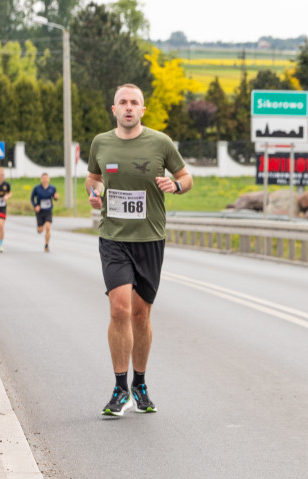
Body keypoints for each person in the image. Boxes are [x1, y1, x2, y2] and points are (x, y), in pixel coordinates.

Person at [86, 83, 192, 418]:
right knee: (119, 309)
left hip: (149, 239)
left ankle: (140, 384)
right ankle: (120, 388)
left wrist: (174, 186)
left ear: (142, 110)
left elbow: (187, 177)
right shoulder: (101, 143)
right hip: (114, 238)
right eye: (122, 102)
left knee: (140, 314)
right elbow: (93, 178)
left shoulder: (160, 142)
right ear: (113, 109)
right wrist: (95, 192)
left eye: (134, 103)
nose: (128, 107)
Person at [30, 173, 59, 252]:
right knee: (40, 230)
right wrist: (35, 205)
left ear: (49, 179)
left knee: (48, 227)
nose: (45, 180)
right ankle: (39, 227)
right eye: (43, 178)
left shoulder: (52, 188)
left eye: (46, 178)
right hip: (40, 211)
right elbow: (32, 198)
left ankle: (46, 245)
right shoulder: (37, 188)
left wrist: (56, 197)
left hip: (48, 211)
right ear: (41, 179)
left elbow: (55, 197)